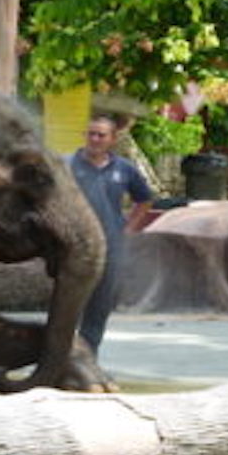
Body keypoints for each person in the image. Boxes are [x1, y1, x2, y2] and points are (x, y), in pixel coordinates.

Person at [70, 115, 154, 355]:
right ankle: (59, 350)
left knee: (101, 300)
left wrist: (129, 227)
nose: (95, 139)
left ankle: (88, 353)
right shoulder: (68, 165)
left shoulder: (124, 169)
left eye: (101, 135)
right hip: (75, 244)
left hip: (111, 243)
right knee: (68, 299)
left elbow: (144, 199)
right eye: (91, 134)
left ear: (113, 139)